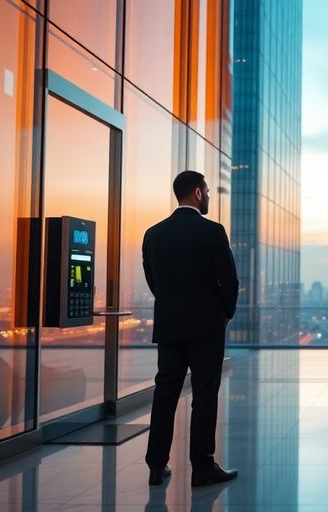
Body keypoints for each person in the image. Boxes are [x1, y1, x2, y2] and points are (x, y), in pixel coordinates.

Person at [142, 170, 239, 487]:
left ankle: (156, 465)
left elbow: (153, 280)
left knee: (165, 392)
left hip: (169, 325)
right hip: (206, 327)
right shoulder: (212, 231)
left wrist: (171, 305)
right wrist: (224, 314)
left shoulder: (153, 234)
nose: (208, 196)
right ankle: (202, 466)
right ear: (197, 193)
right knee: (204, 394)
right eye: (207, 191)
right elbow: (229, 280)